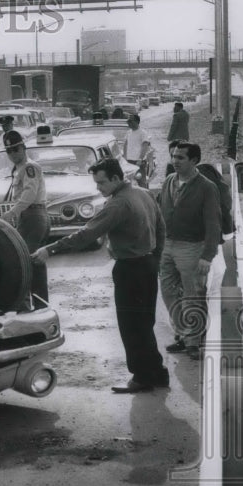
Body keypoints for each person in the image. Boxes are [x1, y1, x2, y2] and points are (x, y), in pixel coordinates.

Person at [33, 158, 169, 393]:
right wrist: (155, 258)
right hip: (146, 265)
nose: (99, 188)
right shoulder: (144, 193)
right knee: (145, 323)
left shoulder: (117, 204)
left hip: (130, 269)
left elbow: (88, 234)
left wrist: (50, 249)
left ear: (117, 178)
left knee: (131, 326)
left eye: (102, 183)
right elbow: (161, 228)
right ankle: (157, 372)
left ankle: (141, 376)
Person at [158, 142, 222, 360]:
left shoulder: (206, 187)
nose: (175, 160)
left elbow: (214, 223)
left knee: (192, 295)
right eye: (174, 156)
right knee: (168, 292)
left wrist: (207, 255)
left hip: (192, 247)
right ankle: (183, 334)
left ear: (194, 161)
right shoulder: (169, 181)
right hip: (167, 245)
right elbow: (160, 213)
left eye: (181, 157)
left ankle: (193, 341)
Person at [0, 130, 49, 304]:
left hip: (33, 216)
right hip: (29, 216)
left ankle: (38, 304)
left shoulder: (29, 167)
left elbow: (30, 193)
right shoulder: (20, 168)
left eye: (16, 149)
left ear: (23, 147)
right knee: (34, 261)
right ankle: (39, 303)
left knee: (28, 262)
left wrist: (13, 212)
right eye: (9, 151)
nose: (12, 154)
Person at [122, 114, 152, 188]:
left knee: (141, 182)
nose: (128, 123)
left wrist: (140, 159)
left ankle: (145, 198)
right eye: (128, 121)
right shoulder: (128, 132)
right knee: (129, 182)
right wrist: (124, 157)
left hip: (138, 162)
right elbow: (125, 145)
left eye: (130, 121)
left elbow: (145, 146)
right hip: (129, 161)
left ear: (137, 122)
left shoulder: (143, 133)